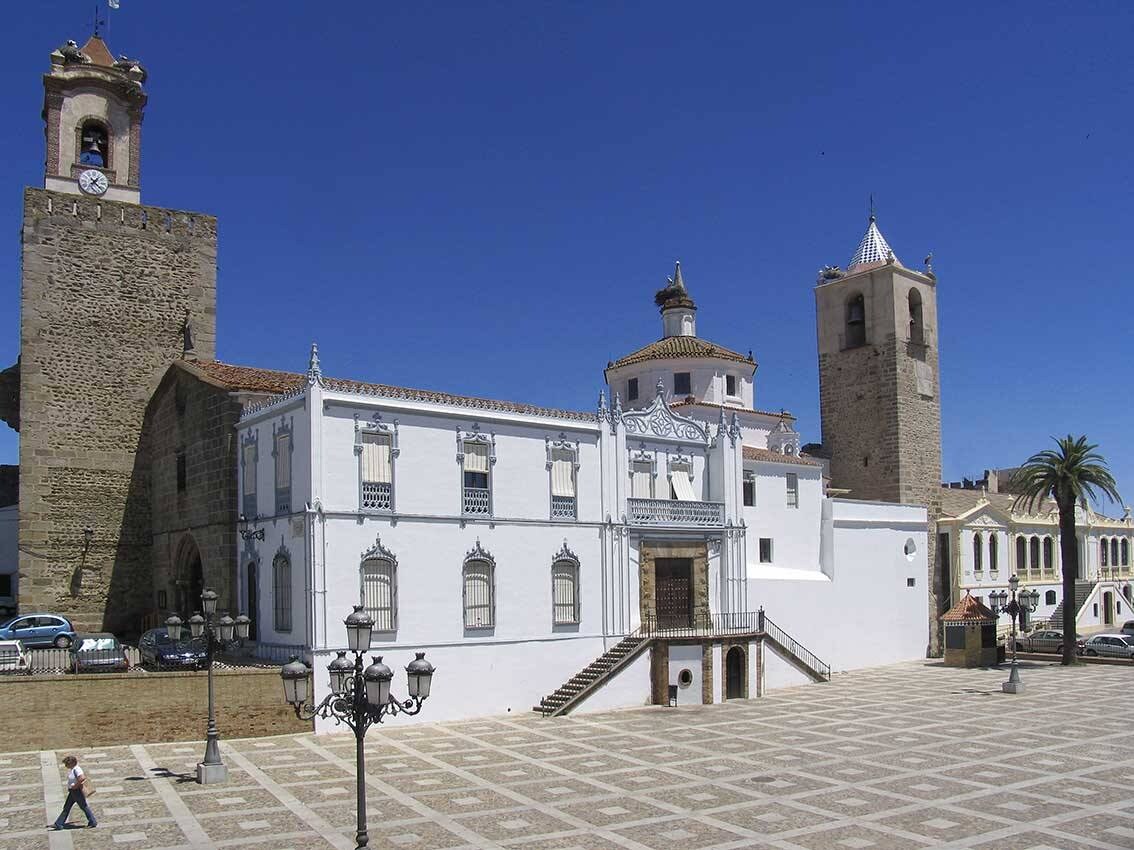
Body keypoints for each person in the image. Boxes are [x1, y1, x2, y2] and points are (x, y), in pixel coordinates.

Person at [51, 755, 96, 829]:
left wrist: (75, 786)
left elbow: (82, 778)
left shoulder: (77, 769)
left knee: (83, 807)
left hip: (76, 791)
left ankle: (92, 822)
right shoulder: (73, 769)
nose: (65, 765)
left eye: (67, 764)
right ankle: (59, 823)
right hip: (73, 792)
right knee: (67, 807)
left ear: (72, 763)